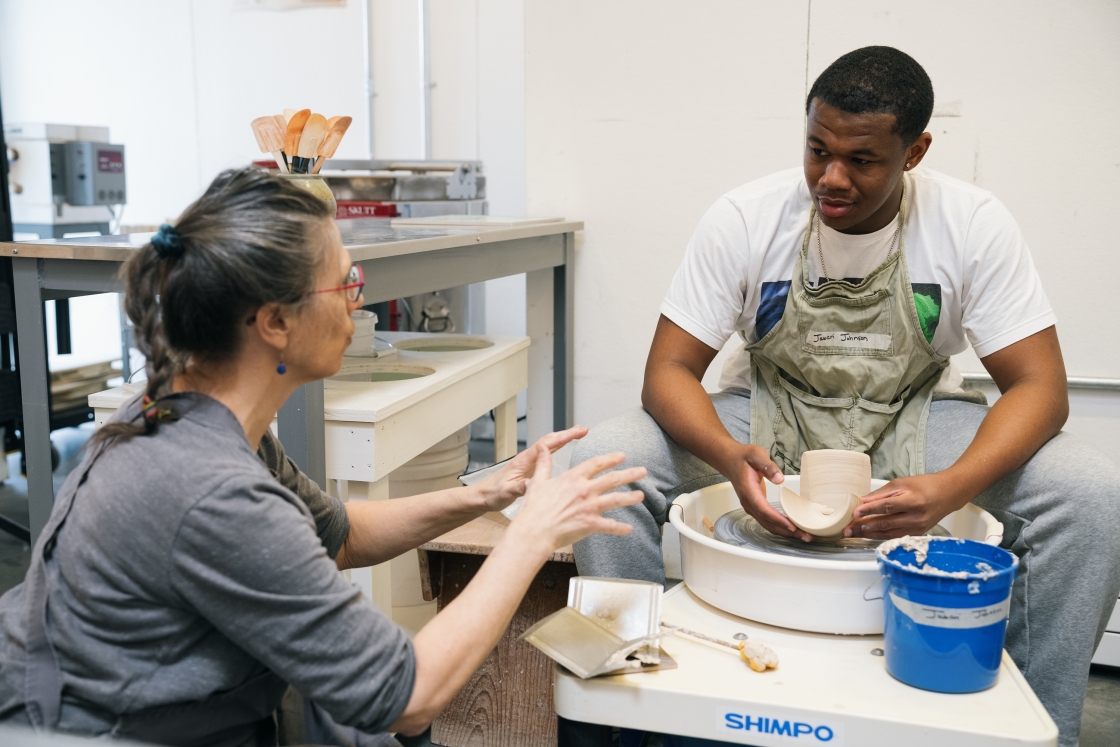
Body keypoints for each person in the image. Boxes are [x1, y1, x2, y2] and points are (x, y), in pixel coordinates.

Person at [570, 46, 1120, 747]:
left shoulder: (971, 223)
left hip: (914, 417)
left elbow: (1041, 388)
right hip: (770, 412)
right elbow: (669, 371)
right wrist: (729, 455)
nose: (831, 178)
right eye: (816, 149)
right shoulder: (746, 217)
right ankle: (630, 709)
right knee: (602, 457)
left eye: (862, 160)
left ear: (914, 151)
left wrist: (951, 487)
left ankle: (1034, 729)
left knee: (1092, 496)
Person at [0, 168, 646, 746]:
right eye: (346, 282)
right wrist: (530, 536)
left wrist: (484, 495)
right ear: (275, 322)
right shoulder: (209, 490)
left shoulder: (196, 409)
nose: (357, 300)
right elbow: (410, 698)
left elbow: (337, 533)